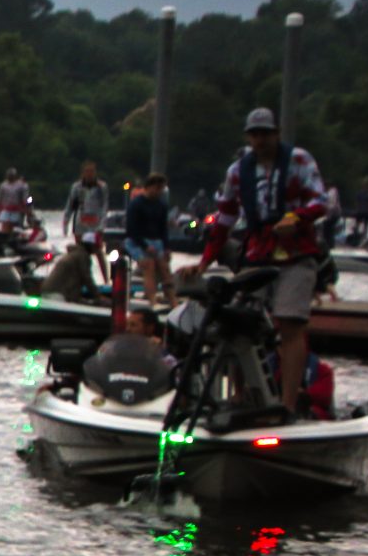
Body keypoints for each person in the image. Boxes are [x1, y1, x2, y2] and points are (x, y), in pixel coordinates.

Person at [178, 107, 330, 416]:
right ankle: (241, 395)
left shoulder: (299, 160)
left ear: (276, 134)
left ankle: (286, 403)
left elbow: (320, 201)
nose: (260, 141)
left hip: (296, 252)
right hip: (258, 253)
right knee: (236, 322)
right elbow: (224, 220)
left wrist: (298, 217)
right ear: (249, 137)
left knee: (290, 323)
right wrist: (204, 263)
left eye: (266, 134)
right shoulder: (238, 171)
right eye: (255, 135)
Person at [121, 173, 173, 308]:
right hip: (136, 241)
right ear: (149, 187)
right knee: (148, 265)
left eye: (162, 189)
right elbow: (131, 229)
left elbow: (163, 228)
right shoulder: (136, 204)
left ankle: (173, 301)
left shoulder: (161, 205)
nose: (159, 192)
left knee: (164, 268)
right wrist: (144, 246)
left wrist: (166, 247)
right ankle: (153, 302)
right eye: (158, 189)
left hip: (156, 240)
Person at [0, 167, 32, 237]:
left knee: (13, 225)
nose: (10, 177)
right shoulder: (3, 185)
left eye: (11, 175)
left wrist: (27, 209)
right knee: (4, 223)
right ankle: (4, 236)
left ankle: (12, 236)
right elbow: (0, 198)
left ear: (15, 176)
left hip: (17, 210)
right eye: (9, 175)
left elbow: (25, 199)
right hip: (6, 209)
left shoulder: (21, 185)